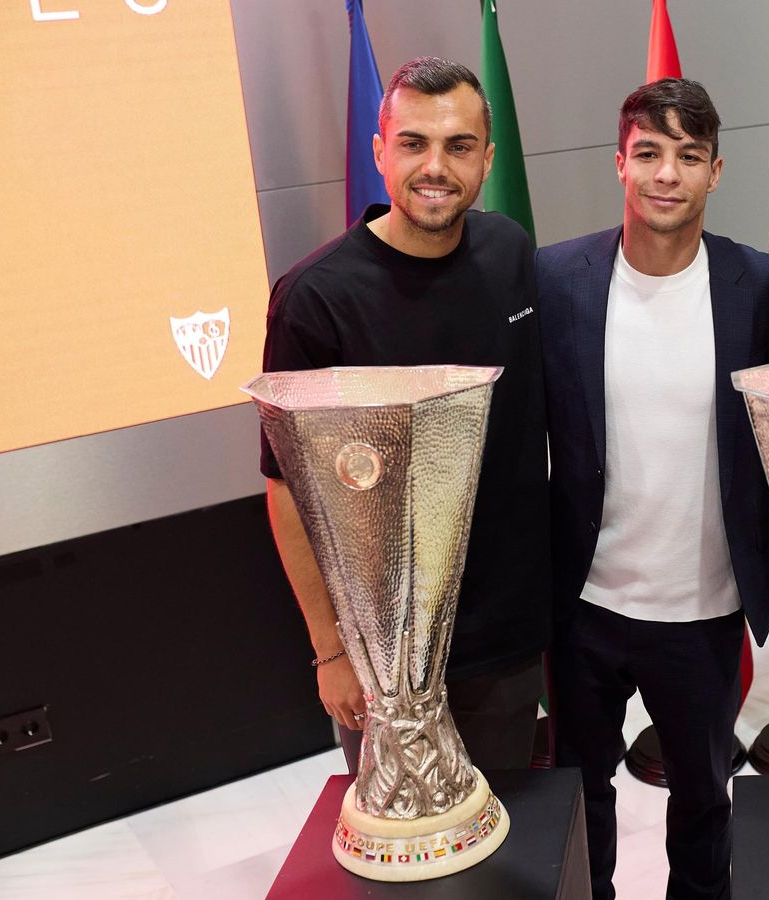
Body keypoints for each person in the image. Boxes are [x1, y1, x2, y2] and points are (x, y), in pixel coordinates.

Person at [259, 57, 550, 773]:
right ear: (380, 151)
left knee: (505, 834)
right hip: (382, 654)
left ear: (487, 159)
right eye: (414, 142)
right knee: (404, 860)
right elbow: (287, 491)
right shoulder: (315, 299)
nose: (435, 167)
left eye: (457, 146)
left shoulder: (509, 249)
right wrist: (330, 650)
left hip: (506, 635)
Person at [537, 78, 769, 900]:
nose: (667, 174)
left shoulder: (766, 289)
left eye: (688, 157)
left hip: (703, 608)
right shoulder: (556, 279)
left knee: (704, 802)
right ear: (620, 164)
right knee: (580, 795)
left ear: (717, 172)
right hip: (586, 604)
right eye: (649, 153)